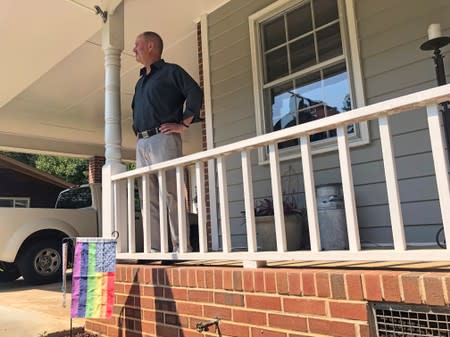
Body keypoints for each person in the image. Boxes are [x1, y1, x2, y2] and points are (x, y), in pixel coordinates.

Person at [131, 31, 202, 253]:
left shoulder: (172, 71)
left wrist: (183, 123)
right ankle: (154, 251)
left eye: (137, 45)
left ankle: (182, 249)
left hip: (164, 138)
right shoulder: (140, 81)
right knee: (148, 199)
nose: (134, 49)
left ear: (151, 46)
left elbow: (194, 93)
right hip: (142, 143)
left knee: (172, 195)